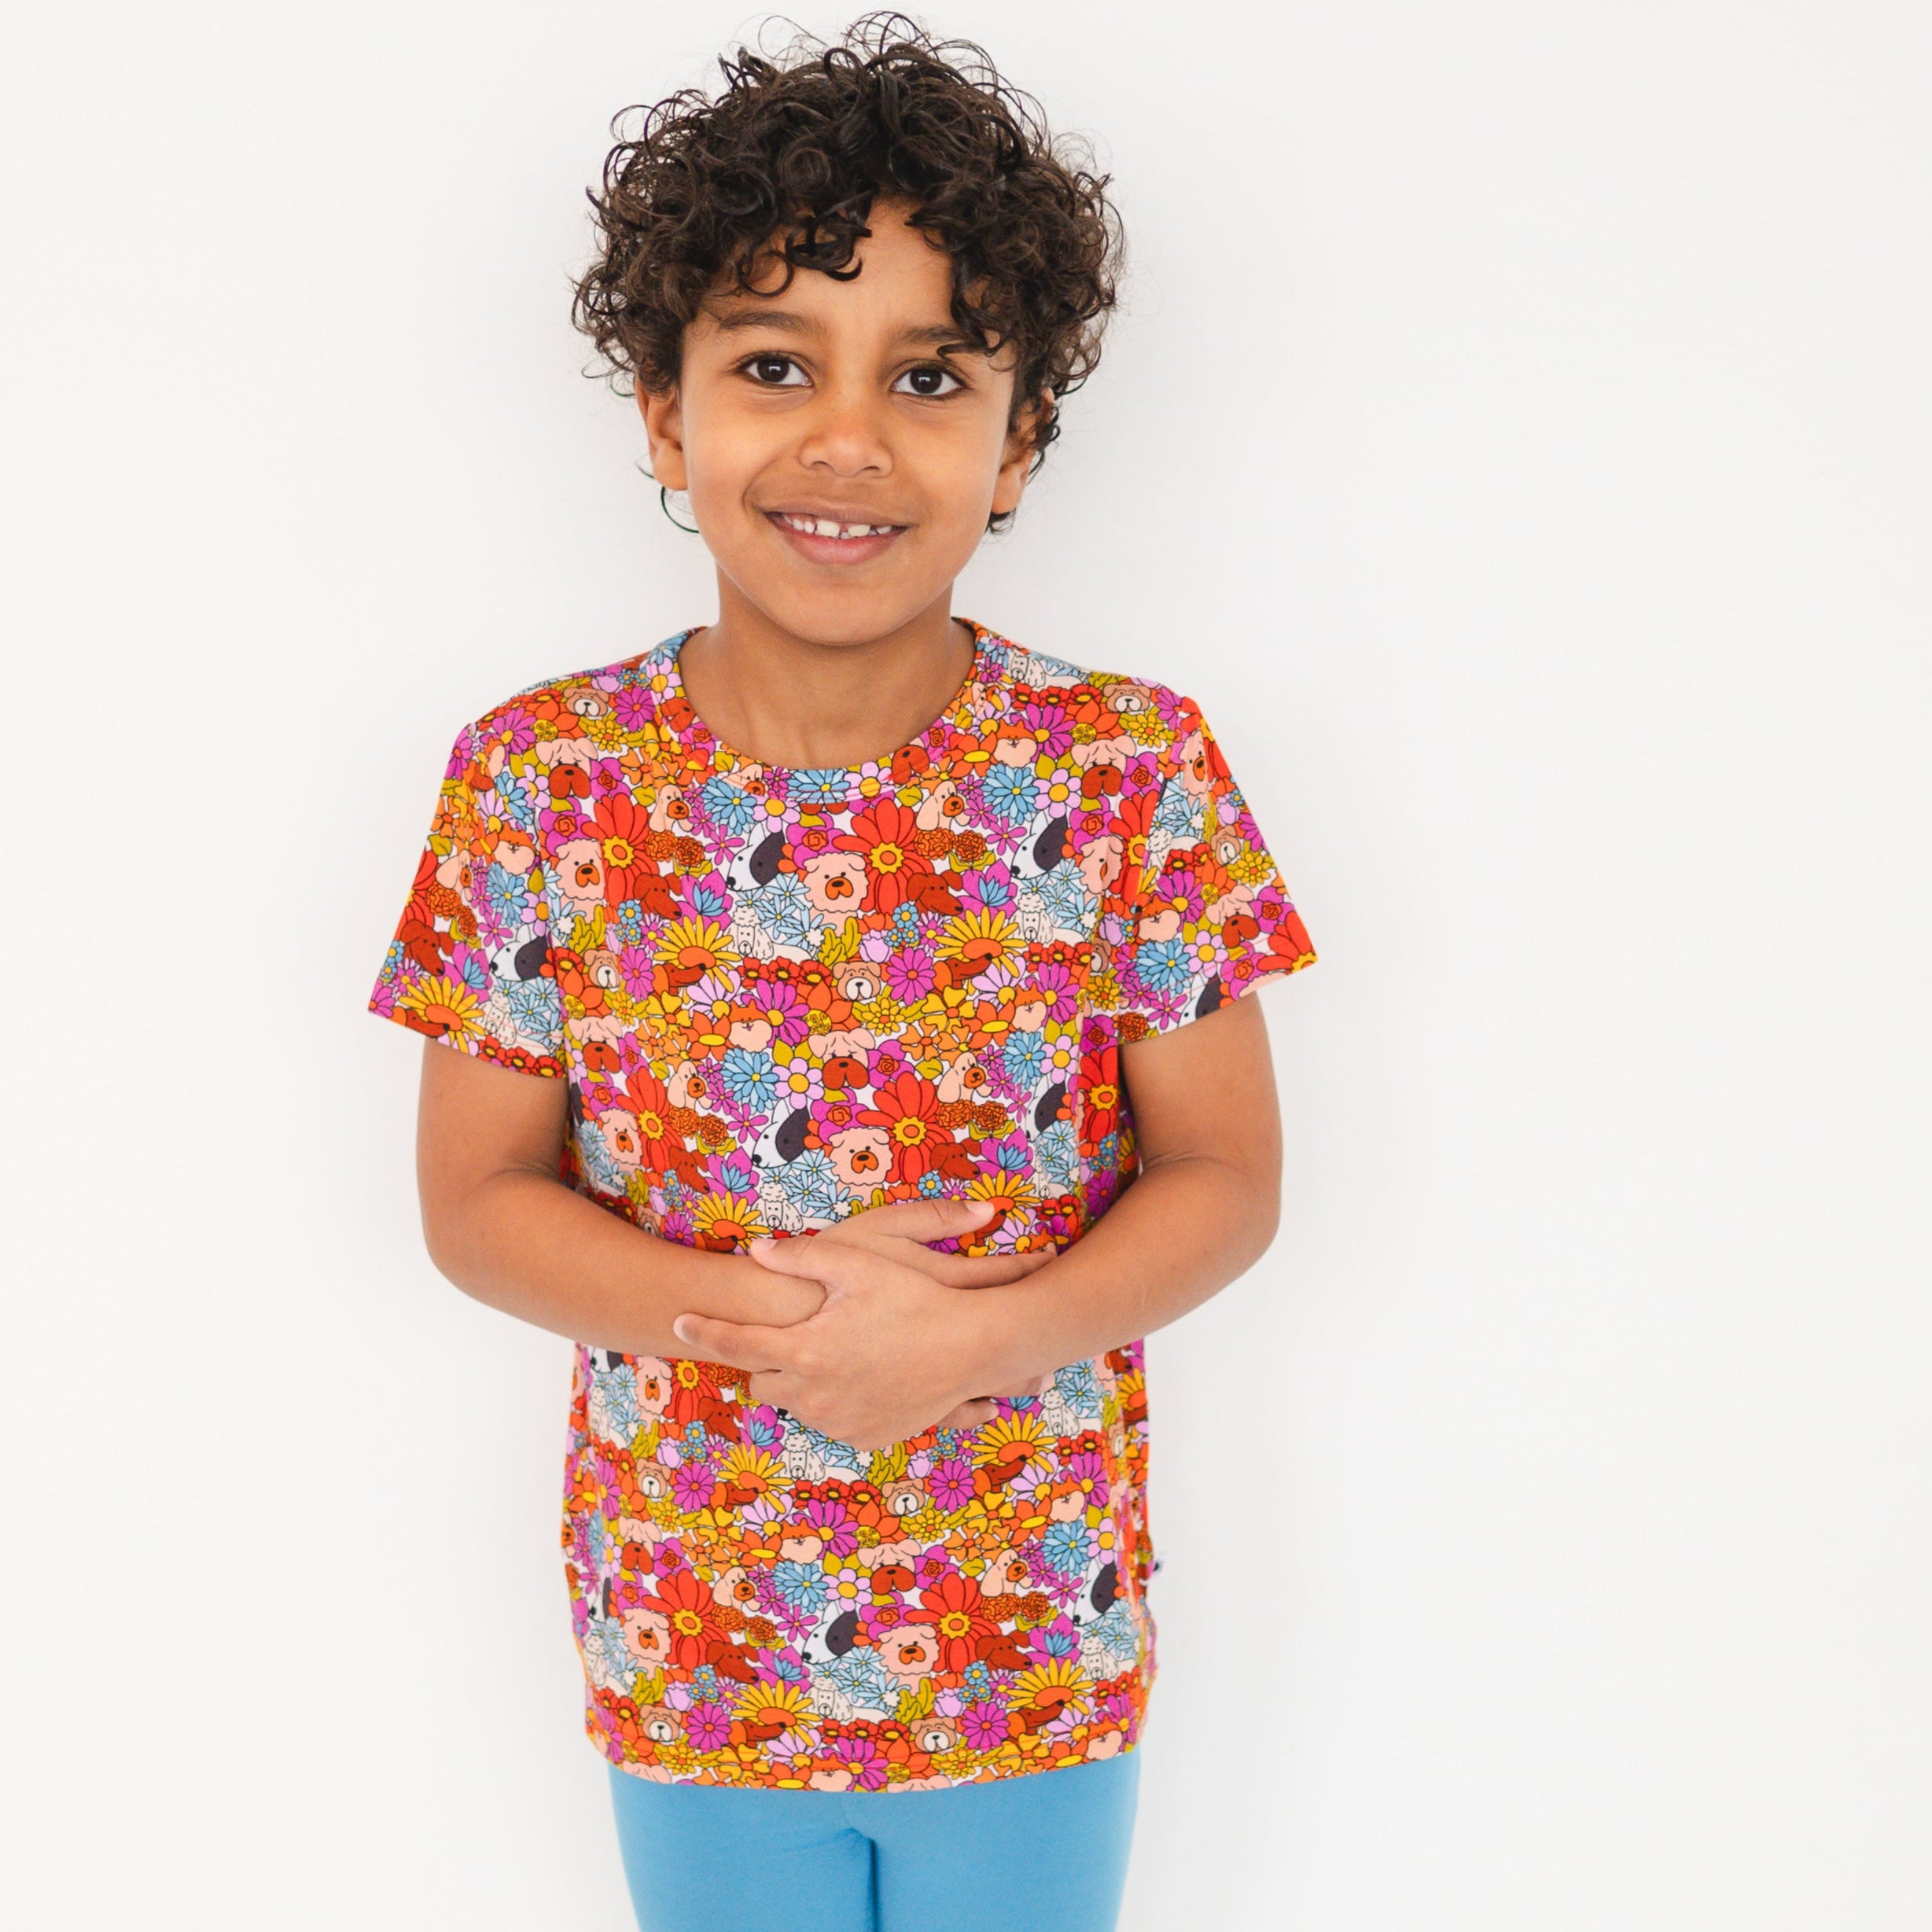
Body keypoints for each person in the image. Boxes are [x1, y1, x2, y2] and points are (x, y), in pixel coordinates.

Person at [368, 17, 1316, 1931]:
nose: (846, 439)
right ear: (664, 413)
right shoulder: (539, 779)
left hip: (1027, 1640)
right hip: (699, 1642)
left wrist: (966, 1337)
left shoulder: (1126, 768)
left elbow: (1227, 1178)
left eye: (932, 374)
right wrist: (774, 1318)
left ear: (1017, 438)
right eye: (773, 362)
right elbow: (476, 1204)